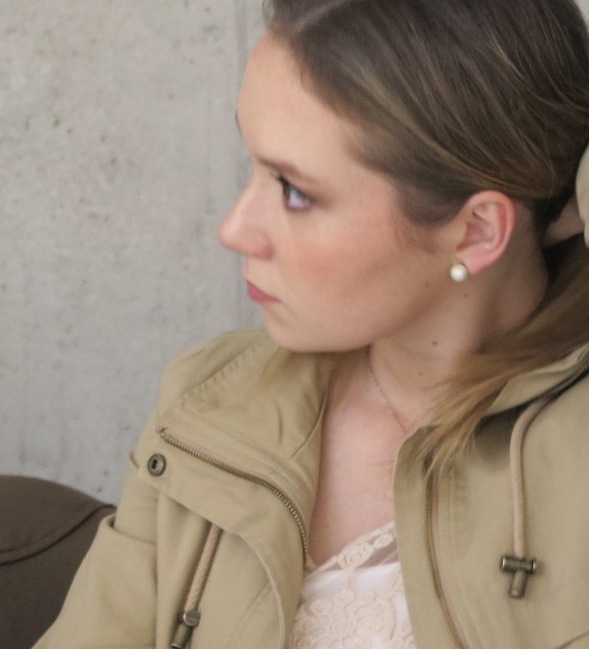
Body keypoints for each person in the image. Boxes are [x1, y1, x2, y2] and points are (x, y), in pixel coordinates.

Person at [39, 0, 589, 646]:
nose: (234, 229)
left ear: (475, 232)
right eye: (254, 166)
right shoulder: (207, 404)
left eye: (295, 191)